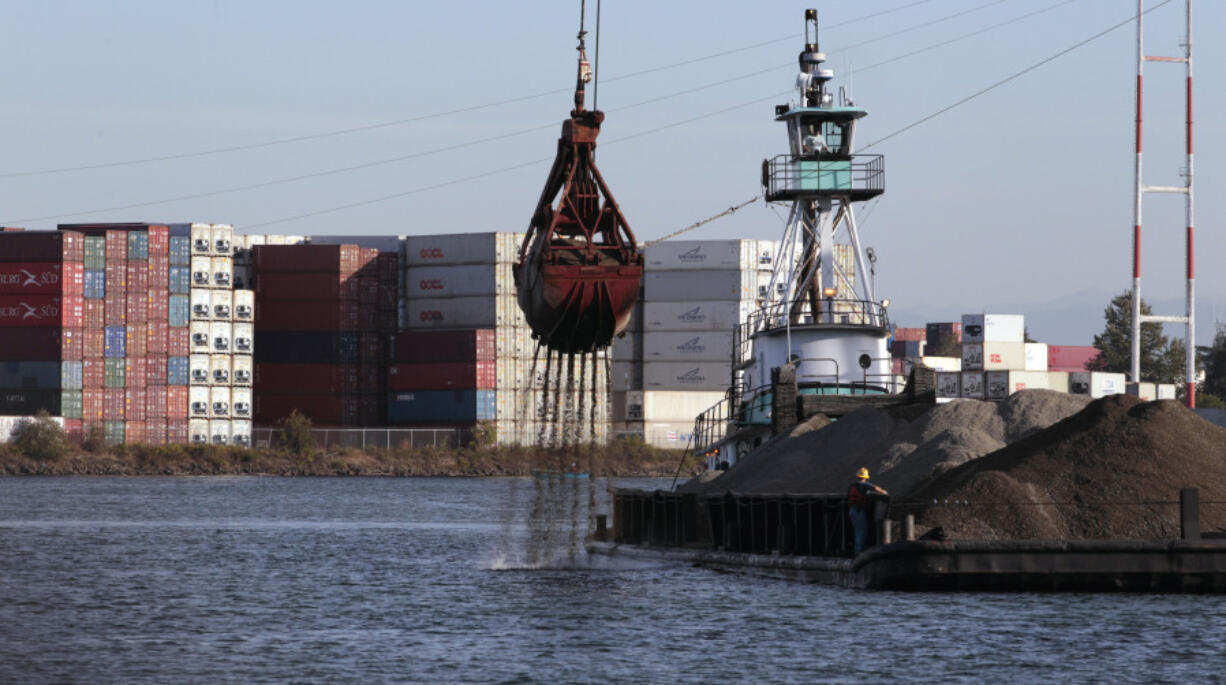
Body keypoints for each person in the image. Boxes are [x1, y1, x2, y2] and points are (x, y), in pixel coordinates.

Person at [847, 467, 888, 555]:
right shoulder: (863, 485)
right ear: (865, 477)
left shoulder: (853, 485)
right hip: (858, 511)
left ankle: (857, 551)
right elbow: (875, 488)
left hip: (852, 511)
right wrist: (884, 492)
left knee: (857, 531)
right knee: (862, 532)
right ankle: (860, 553)